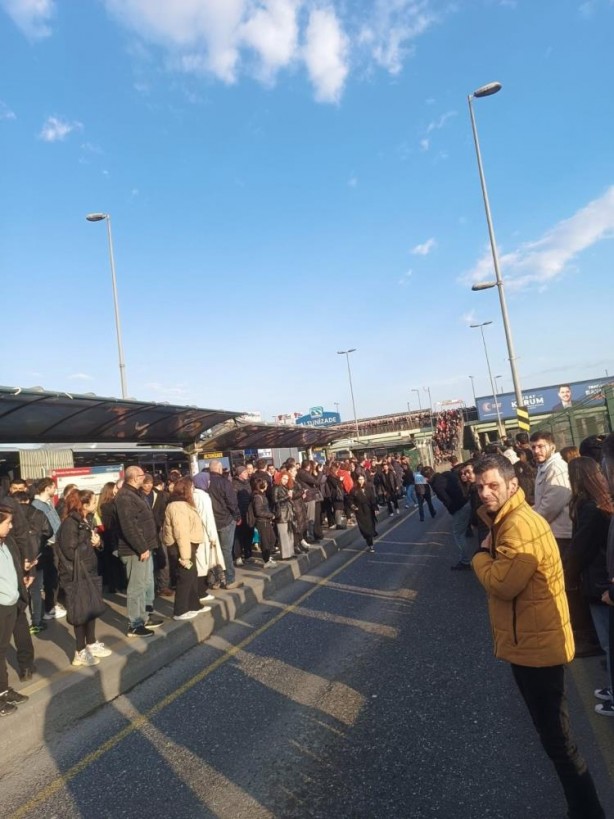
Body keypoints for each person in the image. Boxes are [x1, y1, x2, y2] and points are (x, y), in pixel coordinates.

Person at [471, 455, 604, 819]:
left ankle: (588, 811)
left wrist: (480, 555)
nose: (485, 493)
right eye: (480, 486)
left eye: (493, 485)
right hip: (531, 642)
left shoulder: (518, 526)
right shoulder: (512, 519)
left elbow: (502, 583)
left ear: (513, 485)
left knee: (559, 742)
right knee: (554, 738)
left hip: (537, 649)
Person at [531, 430, 600, 656]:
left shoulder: (556, 468)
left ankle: (586, 637)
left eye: (541, 446)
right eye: (534, 447)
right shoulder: (545, 467)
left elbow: (549, 506)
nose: (536, 451)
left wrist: (530, 523)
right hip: (557, 533)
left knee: (571, 585)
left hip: (564, 534)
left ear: (551, 446)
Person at [566, 456, 613, 715]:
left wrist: (567, 575)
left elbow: (581, 548)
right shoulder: (600, 503)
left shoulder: (590, 508)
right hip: (602, 578)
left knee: (608, 642)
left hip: (598, 581)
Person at [56, 490, 111, 667]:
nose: (96, 504)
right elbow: (70, 551)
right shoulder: (70, 524)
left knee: (90, 608)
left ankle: (91, 643)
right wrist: (89, 543)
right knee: (80, 611)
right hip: (75, 574)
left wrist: (98, 542)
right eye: (93, 501)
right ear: (84, 505)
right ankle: (80, 651)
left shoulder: (86, 520)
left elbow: (91, 544)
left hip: (88, 571)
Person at [114, 466, 160, 638]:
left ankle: (144, 617)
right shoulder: (125, 497)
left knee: (145, 583)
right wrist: (141, 547)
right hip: (135, 550)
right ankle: (135, 624)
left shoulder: (135, 493)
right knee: (136, 587)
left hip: (144, 547)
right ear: (134, 477)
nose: (144, 478)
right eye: (142, 475)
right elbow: (129, 526)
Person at [161, 477, 210, 621]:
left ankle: (194, 605)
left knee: (192, 576)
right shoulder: (178, 506)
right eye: (192, 487)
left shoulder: (182, 504)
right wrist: (185, 556)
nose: (194, 490)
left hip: (187, 546)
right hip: (182, 547)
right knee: (185, 578)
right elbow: (181, 533)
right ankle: (180, 610)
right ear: (186, 489)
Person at [0, 507, 30, 716]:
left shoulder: (7, 543)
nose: (11, 526)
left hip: (11, 603)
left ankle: (3, 690)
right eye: (7, 522)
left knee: (1, 650)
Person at [422, 466, 471, 570]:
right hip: (467, 501)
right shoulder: (447, 474)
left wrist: (453, 511)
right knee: (464, 530)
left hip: (459, 508)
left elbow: (446, 500)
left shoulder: (436, 485)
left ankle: (465, 561)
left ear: (426, 478)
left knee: (458, 535)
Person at [207, 461, 243, 590]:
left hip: (211, 521)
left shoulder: (206, 483)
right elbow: (232, 501)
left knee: (213, 552)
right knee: (226, 551)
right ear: (219, 469)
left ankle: (215, 580)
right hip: (226, 520)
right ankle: (229, 579)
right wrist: (237, 516)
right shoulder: (224, 482)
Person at [349, 475, 378, 552]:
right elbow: (350, 500)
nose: (361, 481)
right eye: (359, 479)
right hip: (360, 511)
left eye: (362, 479)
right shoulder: (354, 490)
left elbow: (373, 499)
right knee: (364, 529)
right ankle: (368, 539)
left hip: (368, 510)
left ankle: (371, 544)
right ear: (357, 480)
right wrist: (353, 506)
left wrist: (375, 508)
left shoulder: (368, 488)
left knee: (370, 527)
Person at [252, 479, 276, 568]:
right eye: (265, 484)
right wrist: (270, 515)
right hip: (262, 522)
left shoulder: (262, 495)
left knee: (272, 539)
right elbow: (258, 512)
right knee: (265, 542)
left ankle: (268, 557)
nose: (267, 485)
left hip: (266, 521)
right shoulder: (258, 497)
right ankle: (266, 560)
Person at [273, 471, 296, 560]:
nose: (285, 481)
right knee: (283, 535)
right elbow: (275, 500)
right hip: (281, 513)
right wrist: (287, 496)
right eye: (284, 478)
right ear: (280, 478)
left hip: (288, 512)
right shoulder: (276, 488)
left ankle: (291, 552)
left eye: (287, 479)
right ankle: (286, 554)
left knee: (290, 533)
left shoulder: (285, 487)